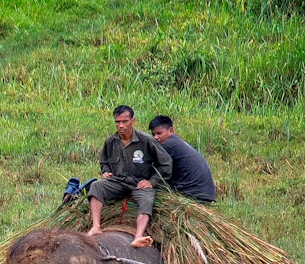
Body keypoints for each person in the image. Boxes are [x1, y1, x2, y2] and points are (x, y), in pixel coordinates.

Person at [77, 104, 173, 248]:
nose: (121, 125)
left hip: (139, 183)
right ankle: (96, 226)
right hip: (118, 181)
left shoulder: (146, 140)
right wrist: (106, 171)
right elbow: (104, 161)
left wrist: (152, 182)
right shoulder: (110, 142)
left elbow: (166, 163)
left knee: (147, 200)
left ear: (132, 121)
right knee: (96, 186)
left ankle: (138, 235)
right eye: (117, 122)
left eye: (124, 121)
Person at [147, 115, 216, 203]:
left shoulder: (168, 145)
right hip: (204, 193)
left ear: (171, 130)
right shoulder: (175, 142)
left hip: (193, 195)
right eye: (153, 134)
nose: (155, 137)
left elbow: (151, 168)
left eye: (159, 133)